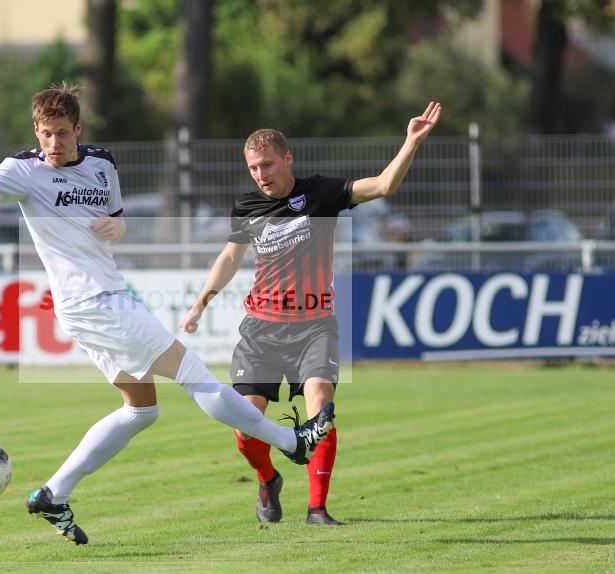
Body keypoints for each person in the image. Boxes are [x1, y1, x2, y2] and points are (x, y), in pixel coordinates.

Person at [0, 83, 335, 545]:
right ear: (37, 130)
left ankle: (54, 493)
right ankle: (294, 444)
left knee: (141, 410)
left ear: (78, 130)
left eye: (62, 134)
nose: (54, 143)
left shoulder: (102, 164)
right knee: (194, 374)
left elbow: (116, 221)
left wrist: (118, 226)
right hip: (93, 302)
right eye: (46, 133)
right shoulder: (22, 170)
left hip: (105, 297)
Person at [179, 102, 442, 525]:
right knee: (246, 428)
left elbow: (384, 185)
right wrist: (199, 304)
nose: (261, 175)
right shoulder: (247, 206)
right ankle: (268, 479)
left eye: (267, 165)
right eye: (253, 169)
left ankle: (317, 509)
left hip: (314, 327)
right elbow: (229, 258)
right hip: (261, 331)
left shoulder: (322, 194)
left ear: (288, 159)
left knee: (322, 410)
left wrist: (410, 141)